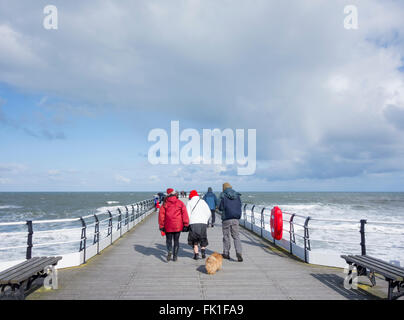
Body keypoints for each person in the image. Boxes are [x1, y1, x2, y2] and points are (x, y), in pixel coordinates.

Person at [158, 188, 189, 262]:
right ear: (175, 194)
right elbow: (185, 214)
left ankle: (169, 251)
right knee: (176, 241)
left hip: (168, 225)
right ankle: (175, 257)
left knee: (168, 240)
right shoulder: (180, 202)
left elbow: (161, 215)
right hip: (178, 225)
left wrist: (161, 226)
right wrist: (186, 224)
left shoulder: (165, 203)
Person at [218, 182, 243, 262]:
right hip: (235, 219)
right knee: (236, 236)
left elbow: (221, 208)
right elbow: (240, 205)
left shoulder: (223, 195)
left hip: (226, 219)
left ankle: (226, 253)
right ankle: (239, 252)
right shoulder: (237, 195)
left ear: (224, 188)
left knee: (226, 236)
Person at [186, 190, 211, 260]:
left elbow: (187, 214)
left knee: (195, 239)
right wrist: (205, 219)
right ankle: (203, 252)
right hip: (203, 222)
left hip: (193, 222)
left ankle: (196, 254)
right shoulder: (203, 202)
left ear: (191, 196)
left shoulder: (189, 202)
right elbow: (209, 212)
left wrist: (188, 222)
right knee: (203, 237)